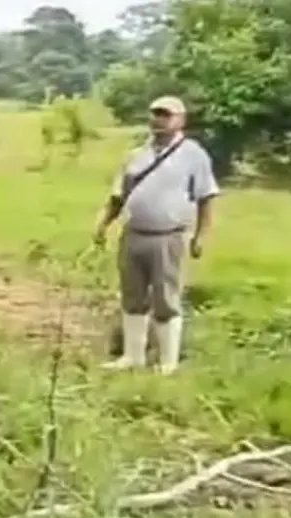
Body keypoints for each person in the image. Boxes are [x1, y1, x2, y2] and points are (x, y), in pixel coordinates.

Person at [92, 95, 219, 374]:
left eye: (166, 114)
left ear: (180, 120)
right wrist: (103, 223)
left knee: (166, 298)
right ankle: (132, 356)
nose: (158, 119)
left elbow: (206, 198)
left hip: (168, 236)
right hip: (134, 234)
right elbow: (118, 195)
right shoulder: (137, 154)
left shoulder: (193, 155)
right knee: (132, 296)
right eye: (155, 114)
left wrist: (201, 236)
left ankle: (167, 363)